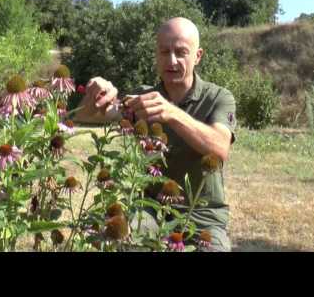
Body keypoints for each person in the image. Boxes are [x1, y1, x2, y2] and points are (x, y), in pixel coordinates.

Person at [74, 17, 237, 252]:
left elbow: (220, 147)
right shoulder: (142, 98)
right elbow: (86, 116)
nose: (171, 60)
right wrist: (95, 94)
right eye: (164, 51)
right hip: (150, 209)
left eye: (181, 52)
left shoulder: (219, 98)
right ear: (156, 56)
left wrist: (171, 113)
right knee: (117, 239)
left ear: (198, 56)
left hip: (203, 216)